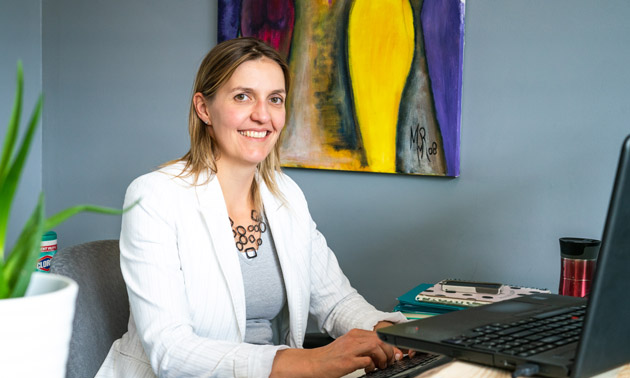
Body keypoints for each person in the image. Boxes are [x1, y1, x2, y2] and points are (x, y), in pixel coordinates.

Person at [96, 37, 408, 378]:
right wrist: (310, 362)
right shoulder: (155, 196)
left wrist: (393, 337)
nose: (262, 115)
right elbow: (172, 351)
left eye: (275, 99)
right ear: (204, 108)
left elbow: (336, 300)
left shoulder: (285, 195)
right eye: (242, 96)